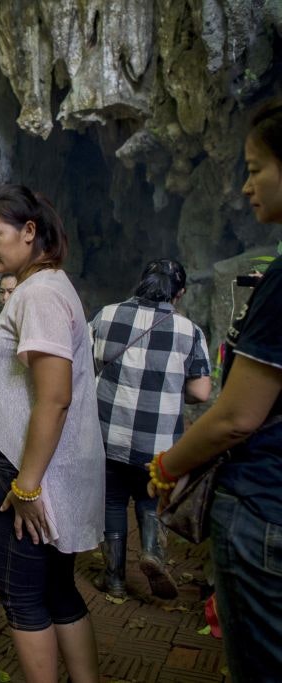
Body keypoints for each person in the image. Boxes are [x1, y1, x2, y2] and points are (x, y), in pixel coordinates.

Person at [151, 99, 282, 682]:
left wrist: (168, 467)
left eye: (255, 168)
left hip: (264, 506)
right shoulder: (185, 331)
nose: (246, 186)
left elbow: (235, 415)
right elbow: (205, 392)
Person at [0, 184, 103, 683]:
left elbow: (53, 398)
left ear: (29, 232)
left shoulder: (40, 294)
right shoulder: (47, 285)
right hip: (46, 464)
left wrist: (26, 485)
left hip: (30, 471)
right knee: (57, 590)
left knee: (22, 595)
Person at [90, 259, 211, 599]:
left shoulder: (106, 315)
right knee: (148, 497)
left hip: (107, 433)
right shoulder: (189, 331)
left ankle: (113, 577)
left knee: (112, 501)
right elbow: (201, 392)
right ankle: (152, 554)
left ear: (141, 282)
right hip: (156, 442)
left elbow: (86, 365)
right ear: (180, 293)